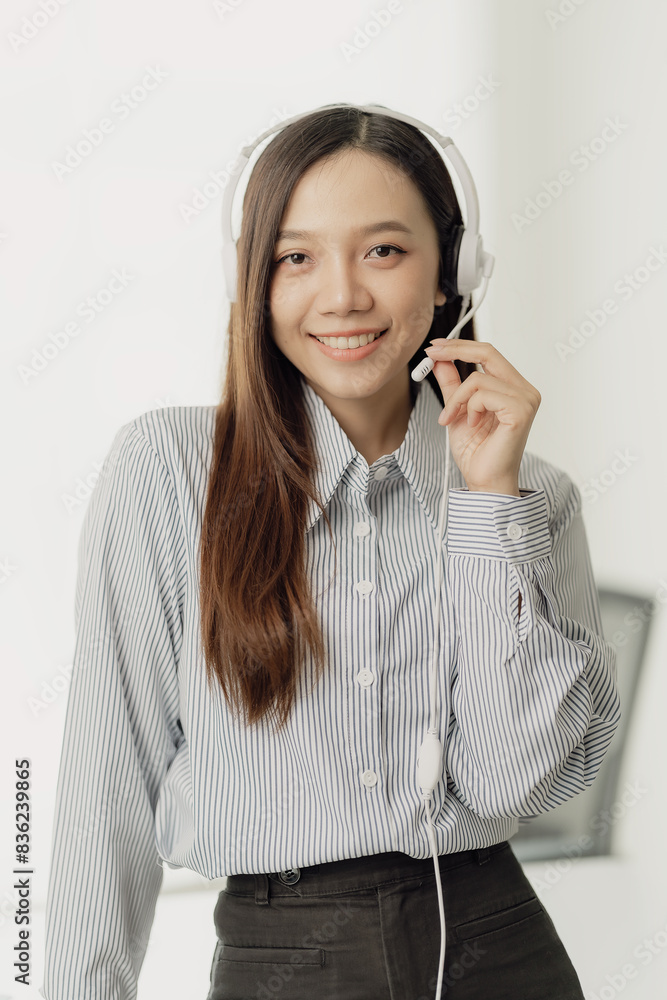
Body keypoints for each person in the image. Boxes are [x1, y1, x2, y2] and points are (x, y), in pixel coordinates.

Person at [42, 105, 620, 1000]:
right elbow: (102, 789)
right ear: (254, 283)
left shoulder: (530, 494)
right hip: (282, 959)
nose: (343, 295)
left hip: (498, 950)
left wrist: (487, 507)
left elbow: (516, 777)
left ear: (450, 274)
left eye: (383, 251)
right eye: (295, 257)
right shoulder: (167, 472)